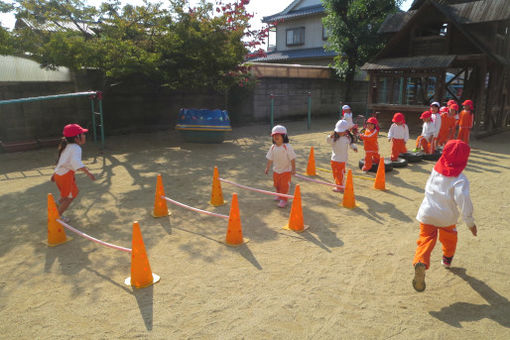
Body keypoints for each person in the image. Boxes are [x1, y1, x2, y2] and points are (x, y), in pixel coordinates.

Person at [412, 139, 477, 292]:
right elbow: (464, 202)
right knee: (449, 238)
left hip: (427, 213)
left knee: (425, 240)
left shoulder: (435, 169)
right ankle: (447, 259)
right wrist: (470, 223)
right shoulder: (460, 180)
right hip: (446, 217)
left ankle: (420, 261)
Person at [51, 124, 96, 222]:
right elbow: (75, 162)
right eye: (82, 134)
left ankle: (56, 205)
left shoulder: (67, 146)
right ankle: (57, 216)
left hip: (61, 174)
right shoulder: (76, 148)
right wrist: (88, 173)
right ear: (76, 138)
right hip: (64, 176)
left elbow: (62, 161)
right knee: (68, 198)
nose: (84, 136)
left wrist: (54, 174)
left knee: (73, 193)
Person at [265, 125, 296, 208]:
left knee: (284, 186)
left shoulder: (287, 147)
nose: (276, 137)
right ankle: (278, 195)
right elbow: (270, 159)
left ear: (284, 136)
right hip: (276, 171)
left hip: (285, 171)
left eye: (278, 135)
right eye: (274, 135)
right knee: (276, 185)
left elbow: (292, 158)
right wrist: (267, 168)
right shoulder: (272, 147)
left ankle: (284, 199)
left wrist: (293, 169)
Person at [326, 120, 358, 192]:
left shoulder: (347, 138)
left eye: (341, 131)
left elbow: (351, 144)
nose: (339, 132)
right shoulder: (334, 138)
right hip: (334, 158)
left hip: (342, 159)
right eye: (338, 131)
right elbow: (328, 141)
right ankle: (337, 183)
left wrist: (354, 147)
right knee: (335, 172)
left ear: (346, 131)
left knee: (340, 173)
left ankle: (340, 186)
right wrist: (329, 137)